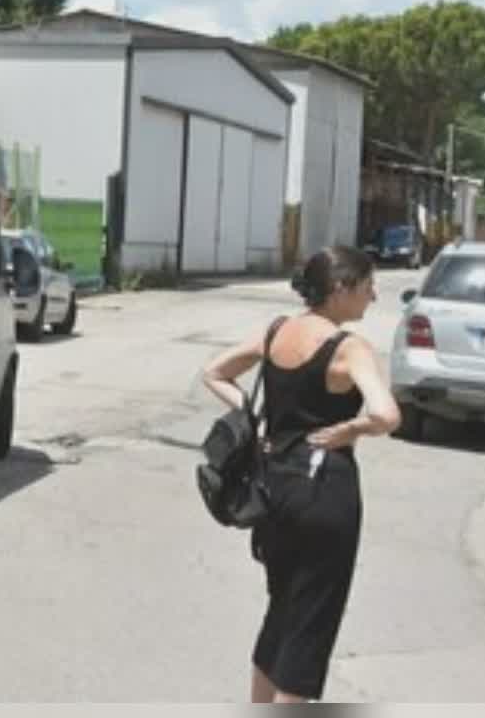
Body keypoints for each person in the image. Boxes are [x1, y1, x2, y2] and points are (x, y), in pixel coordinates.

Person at [200, 246, 402, 703]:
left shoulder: (276, 332)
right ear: (340, 289)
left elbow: (214, 372)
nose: (373, 296)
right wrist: (350, 429)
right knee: (311, 624)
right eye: (368, 286)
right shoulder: (347, 347)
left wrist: (255, 416)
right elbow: (387, 415)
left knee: (282, 609)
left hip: (273, 489)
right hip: (325, 492)